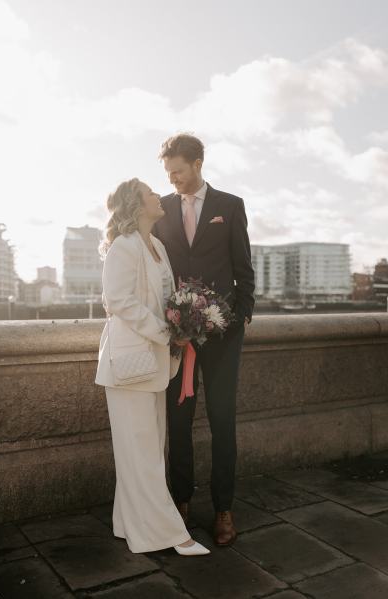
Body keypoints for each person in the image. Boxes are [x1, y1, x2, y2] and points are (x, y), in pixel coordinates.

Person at [95, 177, 210, 556]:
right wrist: (165, 331)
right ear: (135, 204)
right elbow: (119, 301)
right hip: (131, 363)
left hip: (156, 363)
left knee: (144, 450)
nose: (157, 194)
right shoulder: (122, 248)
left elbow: (165, 298)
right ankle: (172, 535)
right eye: (149, 192)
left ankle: (128, 525)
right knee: (142, 452)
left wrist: (182, 325)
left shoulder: (156, 245)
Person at [152, 134, 255, 546]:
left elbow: (243, 268)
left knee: (223, 423)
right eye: (169, 173)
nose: (173, 179)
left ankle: (224, 509)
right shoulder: (160, 210)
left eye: (178, 170)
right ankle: (180, 503)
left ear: (197, 163)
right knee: (178, 424)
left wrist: (241, 316)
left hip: (223, 338)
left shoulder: (230, 207)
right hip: (178, 337)